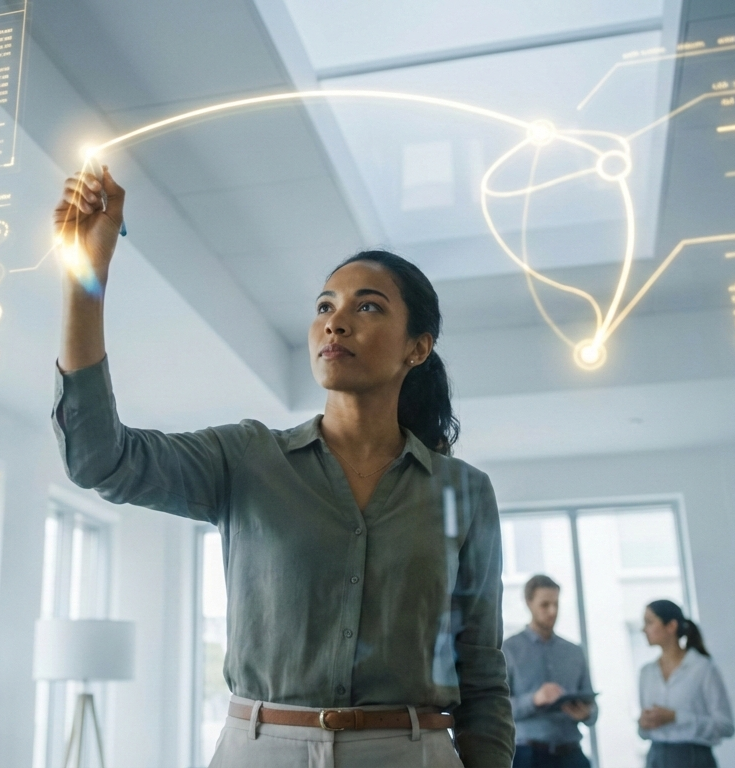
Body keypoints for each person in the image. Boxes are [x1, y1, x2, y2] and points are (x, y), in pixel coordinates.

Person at [51, 168, 514, 767]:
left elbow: (482, 672)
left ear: (416, 348)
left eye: (367, 307)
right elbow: (99, 460)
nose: (336, 321)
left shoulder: (465, 492)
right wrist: (85, 276)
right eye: (325, 306)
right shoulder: (246, 459)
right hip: (262, 749)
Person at [503, 575, 596, 768]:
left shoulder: (574, 651)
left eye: (556, 604)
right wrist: (534, 699)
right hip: (528, 756)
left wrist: (586, 713)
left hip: (572, 754)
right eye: (545, 605)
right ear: (529, 603)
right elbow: (499, 709)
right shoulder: (508, 650)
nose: (552, 611)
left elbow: (593, 709)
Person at [636, 600, 734, 767]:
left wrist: (676, 717)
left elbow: (726, 726)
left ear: (671, 626)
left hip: (694, 758)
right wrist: (643, 724)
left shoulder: (703, 668)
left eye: (649, 622)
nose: (643, 629)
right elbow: (643, 731)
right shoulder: (646, 672)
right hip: (655, 757)